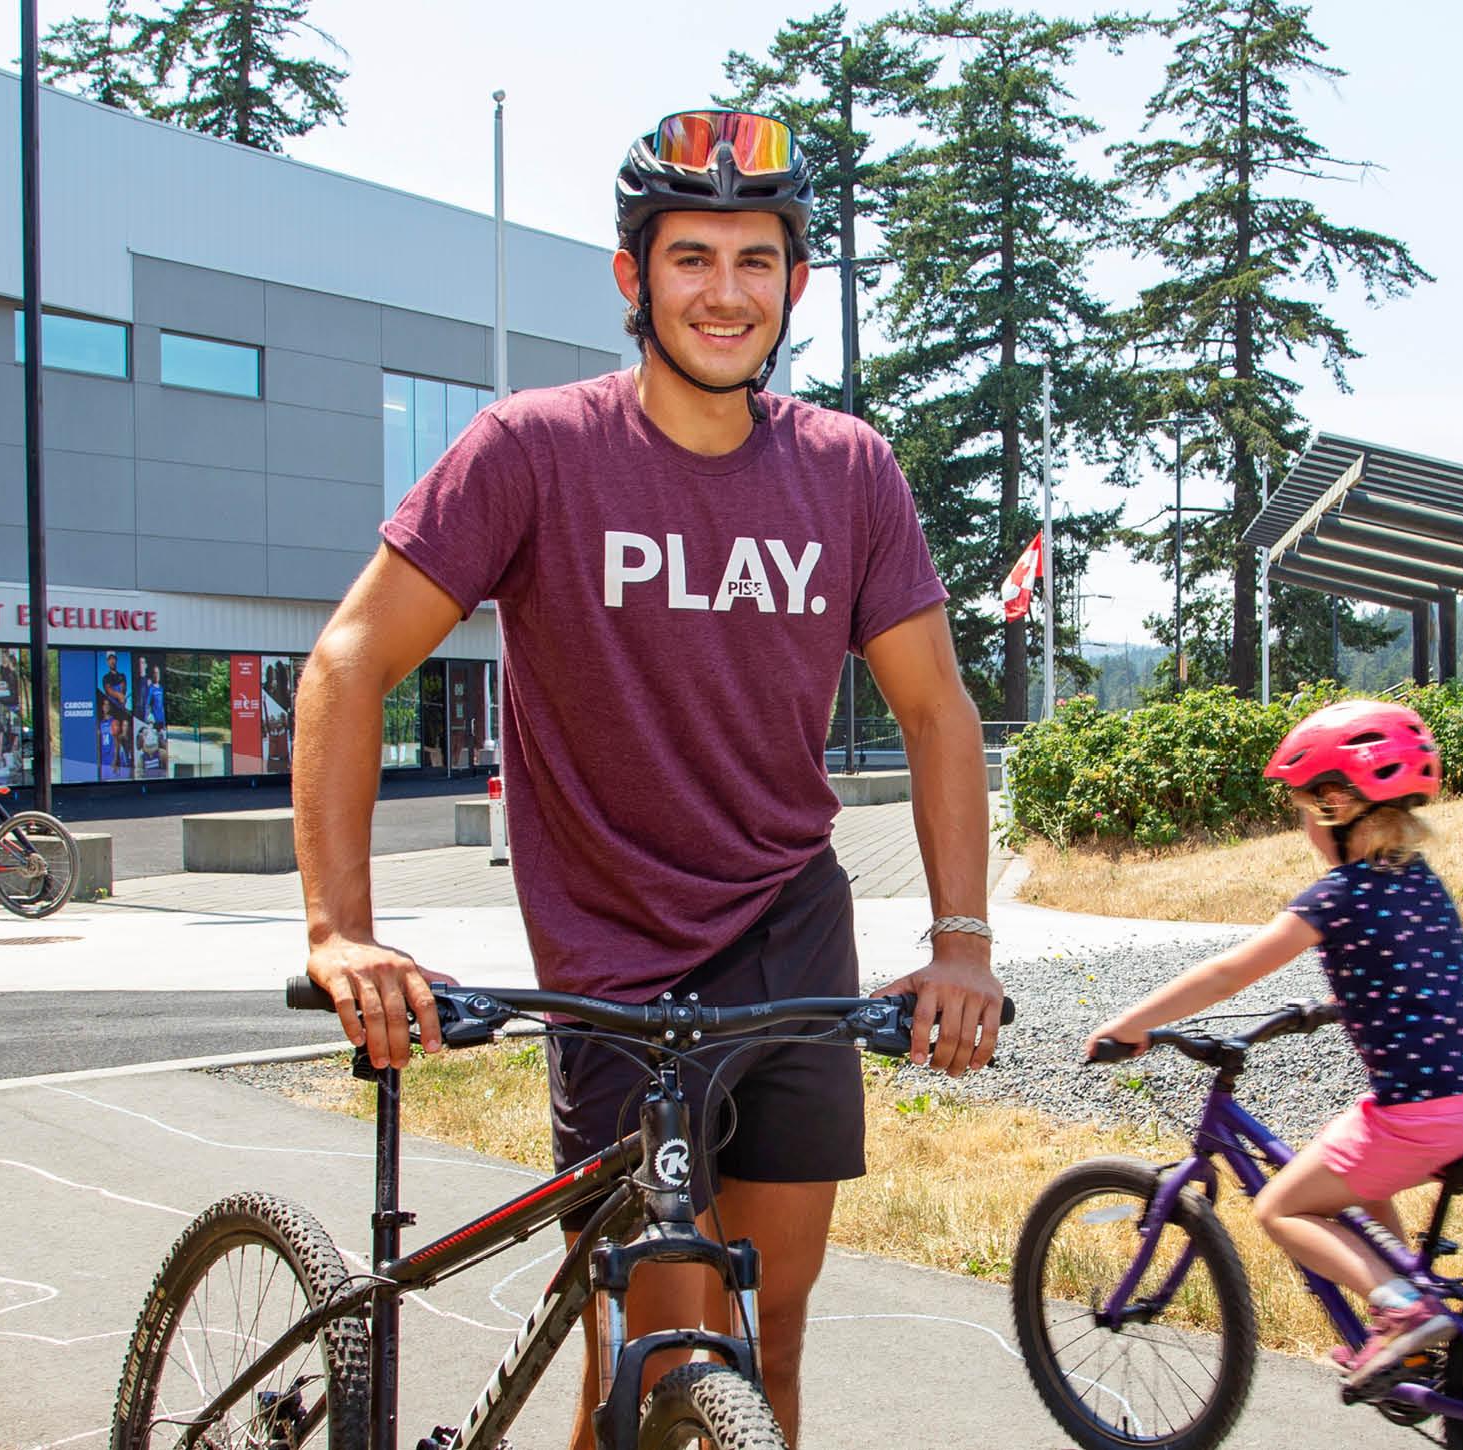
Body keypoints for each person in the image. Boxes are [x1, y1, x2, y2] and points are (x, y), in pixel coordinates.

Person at [293, 108, 1003, 1448]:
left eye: (754, 259)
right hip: (613, 957)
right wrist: (340, 929)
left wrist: (959, 939)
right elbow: (346, 664)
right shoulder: (532, 450)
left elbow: (935, 707)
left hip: (791, 932)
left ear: (794, 281)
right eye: (690, 258)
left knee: (766, 1334)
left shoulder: (847, 470)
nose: (723, 292)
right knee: (668, 1343)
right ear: (634, 277)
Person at [1086, 699, 1463, 1388]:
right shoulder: (1422, 884)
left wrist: (1130, 1024)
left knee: (1281, 1206)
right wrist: (1331, 1004)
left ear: (1334, 804)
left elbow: (1230, 972)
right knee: (1344, 1147)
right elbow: (1413, 972)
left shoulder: (1337, 895)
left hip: (1419, 1113)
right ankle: (1412, 1314)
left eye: (1301, 808)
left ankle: (1402, 1309)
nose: (1302, 825)